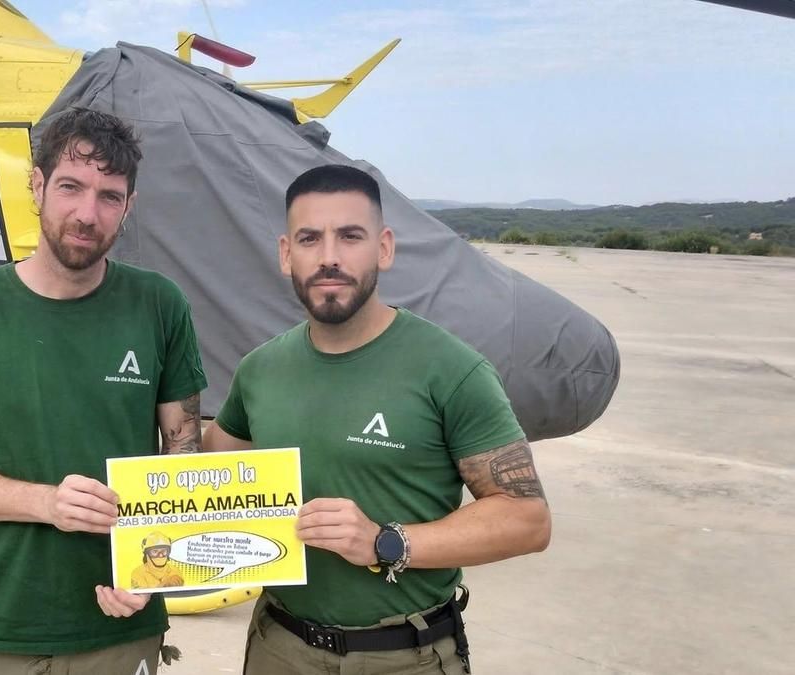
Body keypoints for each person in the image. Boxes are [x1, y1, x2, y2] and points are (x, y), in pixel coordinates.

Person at [204, 164, 551, 674]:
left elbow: (528, 519)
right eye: (309, 238)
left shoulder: (450, 369)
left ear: (384, 248)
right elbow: (209, 470)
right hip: (279, 646)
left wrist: (385, 542)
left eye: (350, 236)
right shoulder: (260, 370)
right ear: (285, 254)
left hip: (401, 655)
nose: (328, 258)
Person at [0, 107, 207, 675]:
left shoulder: (159, 305)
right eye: (71, 187)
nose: (87, 214)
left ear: (129, 207)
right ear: (38, 184)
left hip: (122, 619)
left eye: (110, 196)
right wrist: (48, 503)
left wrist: (152, 569)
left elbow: (183, 450)